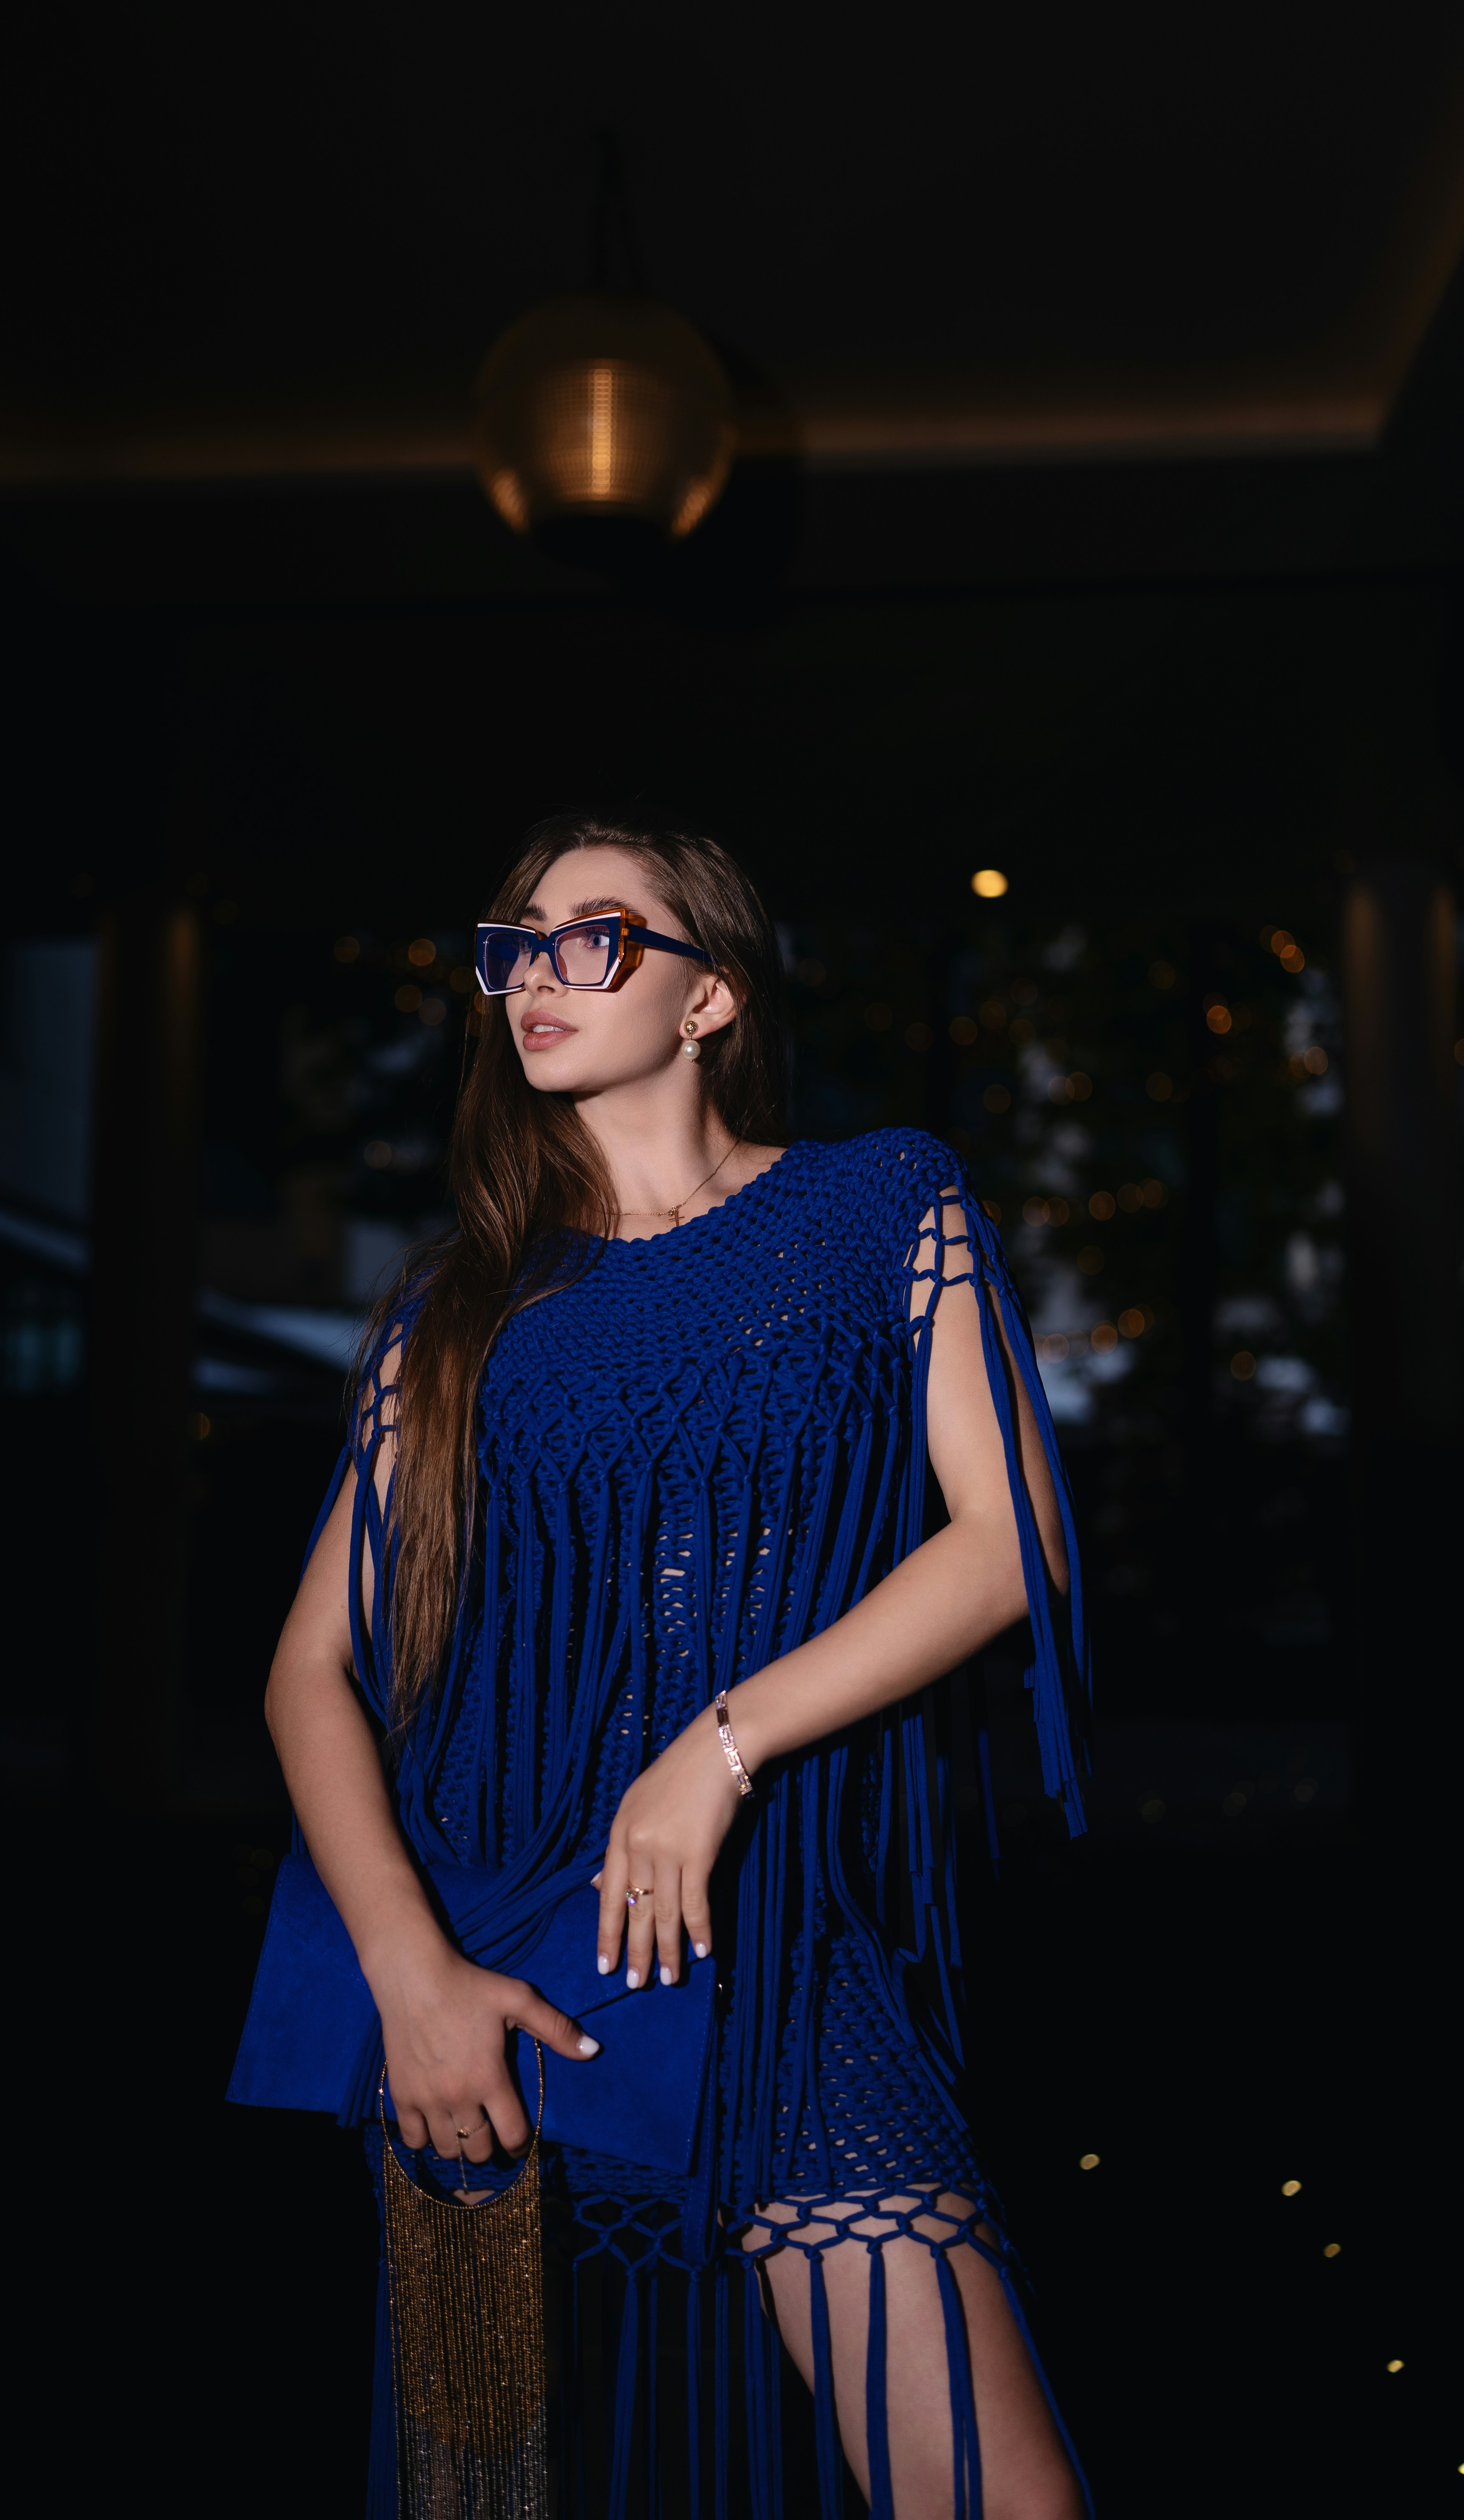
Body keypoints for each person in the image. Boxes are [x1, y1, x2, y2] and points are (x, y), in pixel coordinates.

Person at [263, 814, 1092, 2518]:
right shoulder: (459, 1305)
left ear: (710, 997)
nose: (537, 972)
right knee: (495, 2490)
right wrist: (413, 1982)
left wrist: (722, 1745)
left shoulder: (877, 1202)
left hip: (784, 1959)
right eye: (516, 942)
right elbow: (308, 1673)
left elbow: (1011, 1544)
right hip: (489, 1968)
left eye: (597, 935)